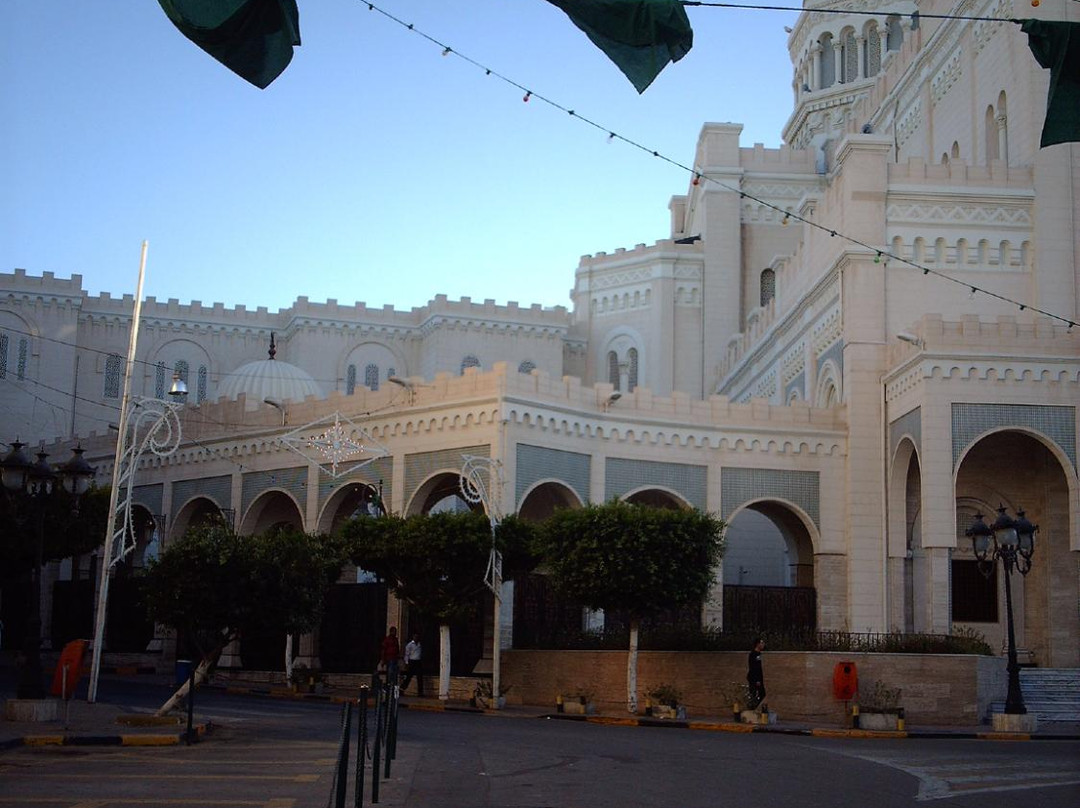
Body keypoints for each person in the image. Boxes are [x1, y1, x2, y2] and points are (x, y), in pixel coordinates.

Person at [747, 636, 766, 710]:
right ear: (757, 644)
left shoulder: (758, 654)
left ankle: (752, 708)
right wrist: (757, 680)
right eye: (762, 643)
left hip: (758, 678)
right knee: (755, 694)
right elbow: (753, 667)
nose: (763, 644)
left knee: (760, 694)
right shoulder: (753, 654)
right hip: (754, 678)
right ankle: (751, 708)